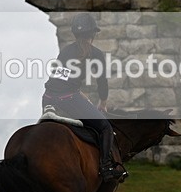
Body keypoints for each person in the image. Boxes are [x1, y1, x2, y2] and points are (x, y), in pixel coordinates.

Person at [42, 13, 128, 182]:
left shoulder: (66, 51)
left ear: (75, 34)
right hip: (68, 99)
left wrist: (75, 92)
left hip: (48, 97)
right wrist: (103, 102)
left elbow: (59, 79)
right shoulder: (96, 54)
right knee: (105, 127)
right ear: (93, 34)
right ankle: (106, 168)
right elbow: (102, 81)